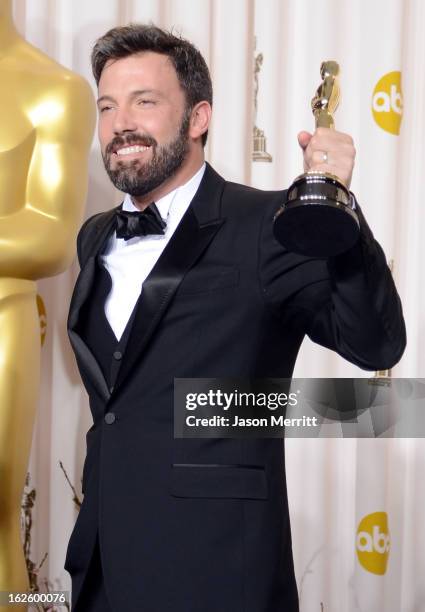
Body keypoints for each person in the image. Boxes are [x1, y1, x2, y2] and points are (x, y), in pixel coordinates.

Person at [64, 23, 406, 612]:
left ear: (199, 118)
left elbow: (375, 344)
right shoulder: (93, 237)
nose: (121, 124)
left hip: (218, 570)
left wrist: (335, 204)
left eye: (145, 102)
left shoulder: (266, 225)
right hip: (101, 564)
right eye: (107, 106)